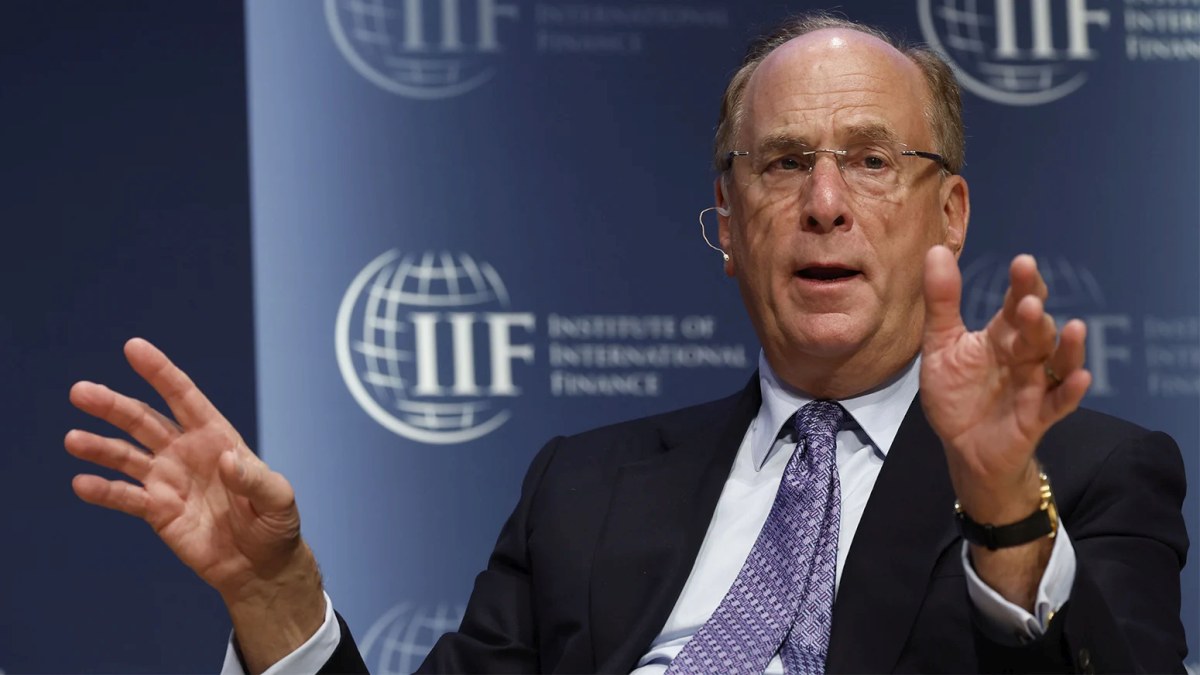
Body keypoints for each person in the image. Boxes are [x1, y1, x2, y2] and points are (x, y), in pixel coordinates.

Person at [65, 12, 1188, 674]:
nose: (825, 203)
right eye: (783, 164)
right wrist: (276, 595)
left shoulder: (1087, 475)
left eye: (872, 160)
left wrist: (1001, 510)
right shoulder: (585, 490)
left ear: (949, 215)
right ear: (728, 223)